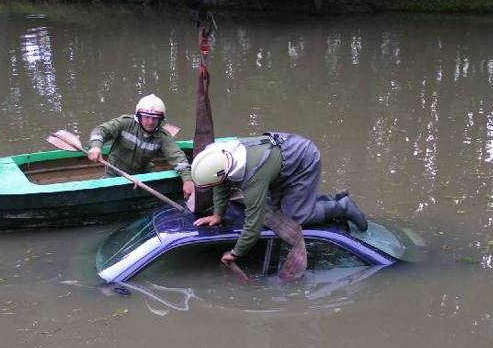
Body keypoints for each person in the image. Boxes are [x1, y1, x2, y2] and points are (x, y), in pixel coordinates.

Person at [191, 132, 368, 269]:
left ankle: (343, 207)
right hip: (280, 160)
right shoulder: (222, 156)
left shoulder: (253, 178)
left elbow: (253, 224)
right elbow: (221, 183)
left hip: (303, 160)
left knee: (296, 217)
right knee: (279, 213)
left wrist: (236, 253)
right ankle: (327, 201)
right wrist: (218, 215)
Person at [87, 94, 195, 199]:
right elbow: (101, 130)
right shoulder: (125, 123)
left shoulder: (163, 136)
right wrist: (96, 146)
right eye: (147, 117)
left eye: (155, 118)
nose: (150, 122)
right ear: (139, 116)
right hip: (115, 172)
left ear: (160, 120)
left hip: (143, 175)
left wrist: (187, 180)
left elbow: (177, 156)